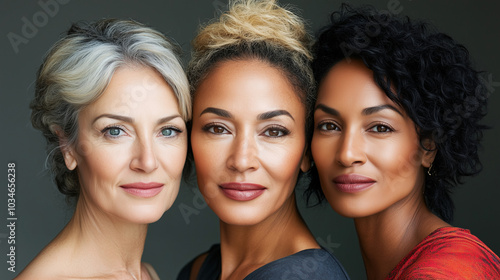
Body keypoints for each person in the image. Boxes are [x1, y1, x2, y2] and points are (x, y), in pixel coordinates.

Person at [308, 4, 500, 280]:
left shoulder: (449, 272)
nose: (347, 154)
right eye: (329, 126)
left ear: (428, 146)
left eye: (379, 127)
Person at [177, 0, 349, 279]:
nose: (242, 161)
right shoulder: (198, 271)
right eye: (218, 128)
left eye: (274, 131)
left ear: (307, 150)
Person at [16, 19, 191, 280]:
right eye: (115, 131)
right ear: (68, 145)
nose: (148, 161)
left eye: (167, 131)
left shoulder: (144, 274)